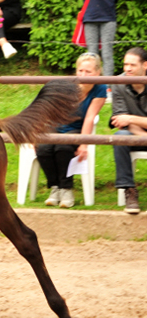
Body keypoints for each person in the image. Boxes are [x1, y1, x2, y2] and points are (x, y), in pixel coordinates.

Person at [36, 52, 106, 208]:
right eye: (80, 71)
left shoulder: (101, 88)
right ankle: (55, 187)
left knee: (63, 147)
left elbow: (90, 117)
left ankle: (66, 189)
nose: (83, 75)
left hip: (76, 128)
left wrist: (84, 143)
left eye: (88, 72)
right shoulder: (67, 86)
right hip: (56, 125)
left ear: (97, 73)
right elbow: (48, 111)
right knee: (43, 148)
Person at [110, 47, 147, 214]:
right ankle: (129, 191)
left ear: (145, 65)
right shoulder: (118, 83)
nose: (128, 69)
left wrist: (131, 118)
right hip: (135, 136)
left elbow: (127, 119)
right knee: (120, 136)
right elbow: (120, 120)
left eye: (132, 65)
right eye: (125, 64)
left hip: (140, 133)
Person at [72, 0, 117, 103]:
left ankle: (108, 89)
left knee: (107, 53)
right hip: (90, 17)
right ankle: (92, 88)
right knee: (91, 56)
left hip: (108, 18)